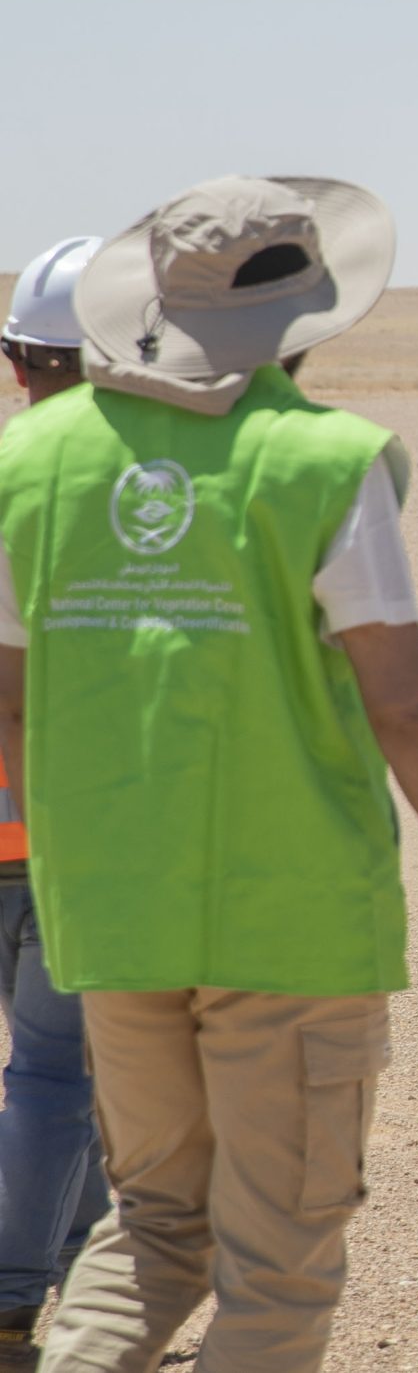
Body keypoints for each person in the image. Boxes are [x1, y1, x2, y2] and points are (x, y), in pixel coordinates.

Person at [0, 176, 418, 1373]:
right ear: (306, 309)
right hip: (291, 927)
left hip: (115, 921)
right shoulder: (322, 462)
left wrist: (83, 847)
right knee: (279, 1268)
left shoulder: (27, 461)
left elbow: (11, 696)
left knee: (153, 1232)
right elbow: (406, 698)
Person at [0, 238, 109, 1372]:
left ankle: (79, 1273)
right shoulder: (132, 500)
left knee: (53, 1071)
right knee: (57, 1070)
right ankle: (19, 1293)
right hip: (64, 828)